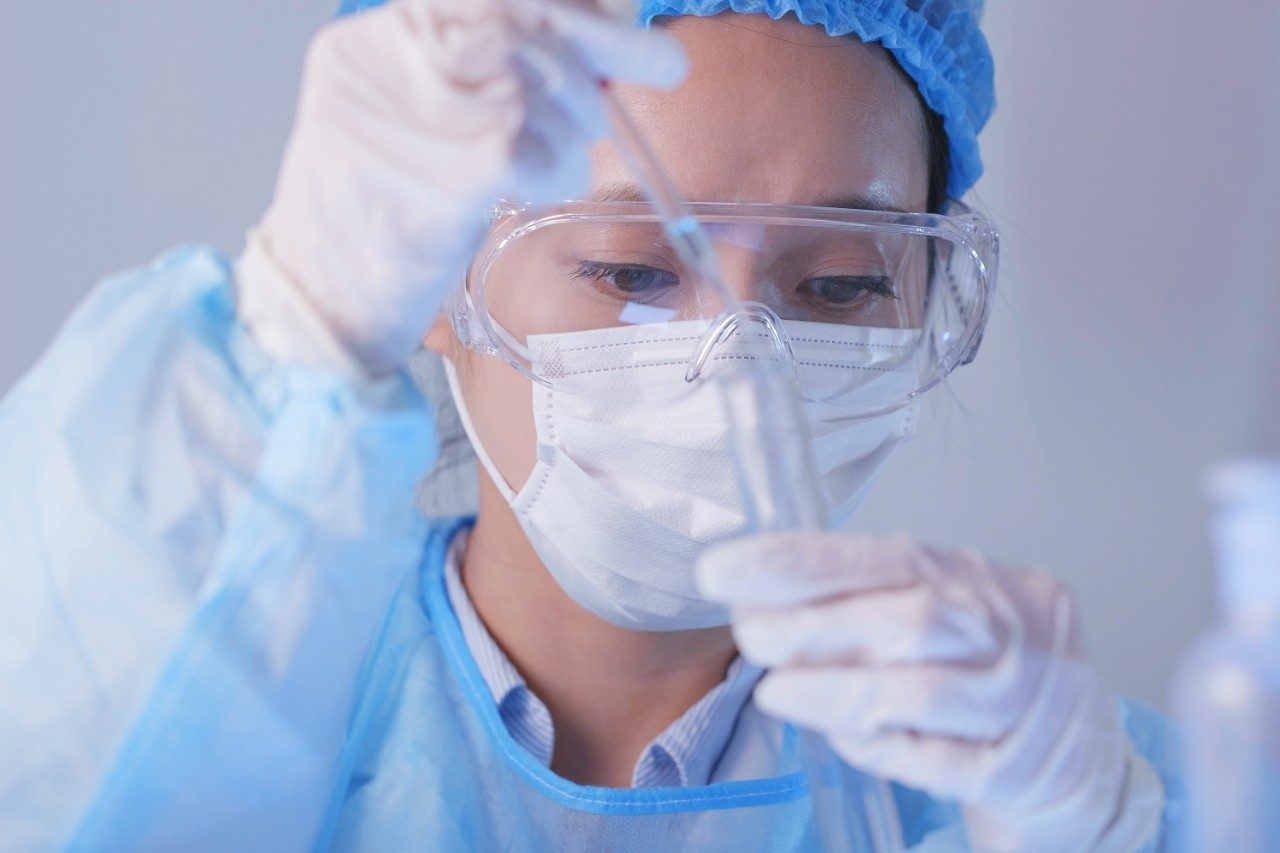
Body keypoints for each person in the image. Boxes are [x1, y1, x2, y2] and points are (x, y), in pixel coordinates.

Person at [0, 0, 1183, 849]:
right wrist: (299, 321)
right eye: (627, 269)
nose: (738, 369)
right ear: (435, 284)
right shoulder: (203, 702)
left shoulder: (1030, 787)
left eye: (836, 285)